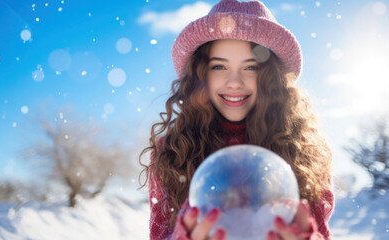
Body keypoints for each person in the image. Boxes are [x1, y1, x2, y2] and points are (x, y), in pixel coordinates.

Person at [139, 0, 335, 239]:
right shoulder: (172, 150)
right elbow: (159, 234)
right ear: (201, 74)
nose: (234, 82)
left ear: (271, 77)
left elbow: (321, 232)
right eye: (219, 67)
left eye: (251, 68)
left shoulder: (305, 152)